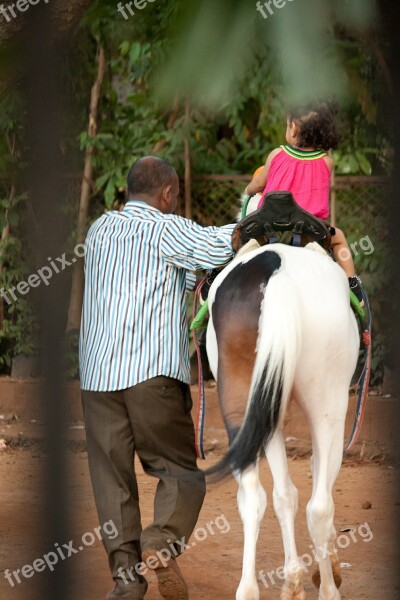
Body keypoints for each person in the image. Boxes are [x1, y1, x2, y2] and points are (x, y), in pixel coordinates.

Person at [79, 156, 236, 600]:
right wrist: (256, 208)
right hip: (152, 375)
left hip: (96, 377)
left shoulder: (99, 230)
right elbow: (221, 243)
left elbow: (168, 278)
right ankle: (160, 543)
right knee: (181, 472)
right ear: (167, 193)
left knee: (111, 481)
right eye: (176, 197)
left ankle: (126, 581)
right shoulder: (167, 230)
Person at [246, 100, 364, 302]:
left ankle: (214, 277)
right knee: (340, 237)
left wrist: (250, 188)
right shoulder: (327, 162)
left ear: (293, 128)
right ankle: (353, 283)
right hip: (309, 231)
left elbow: (258, 184)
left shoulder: (276, 155)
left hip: (268, 227)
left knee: (236, 237)